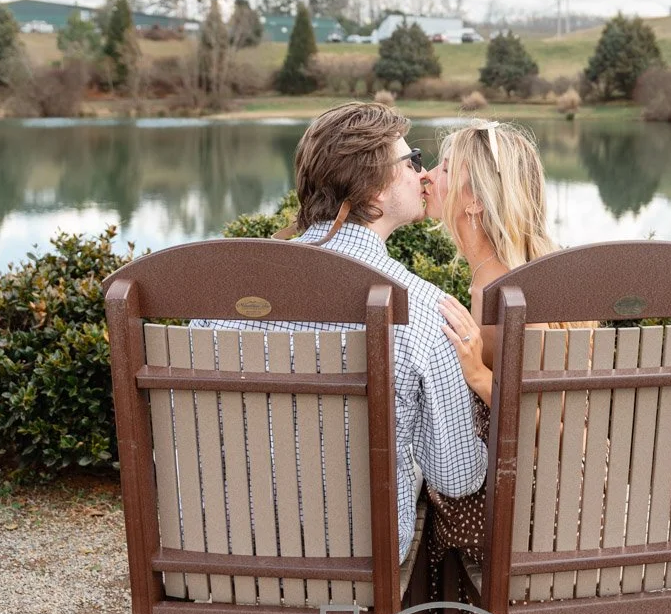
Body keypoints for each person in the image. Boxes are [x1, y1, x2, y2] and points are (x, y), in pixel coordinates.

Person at [198, 102, 486, 558]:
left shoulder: (220, 297)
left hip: (222, 553)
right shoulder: (422, 308)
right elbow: (457, 477)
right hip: (352, 563)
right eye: (410, 161)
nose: (421, 172)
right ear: (374, 194)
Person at [420, 119, 559, 561]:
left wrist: (477, 375)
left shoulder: (507, 293)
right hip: (536, 491)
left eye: (444, 170)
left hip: (533, 512)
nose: (427, 177)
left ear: (475, 200)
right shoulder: (508, 277)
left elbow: (553, 422)